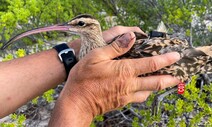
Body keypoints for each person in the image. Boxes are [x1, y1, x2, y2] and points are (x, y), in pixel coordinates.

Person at [0, 26, 180, 126]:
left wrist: (70, 54)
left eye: (80, 25)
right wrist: (83, 102)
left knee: (174, 75)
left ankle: (180, 87)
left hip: (174, 64)